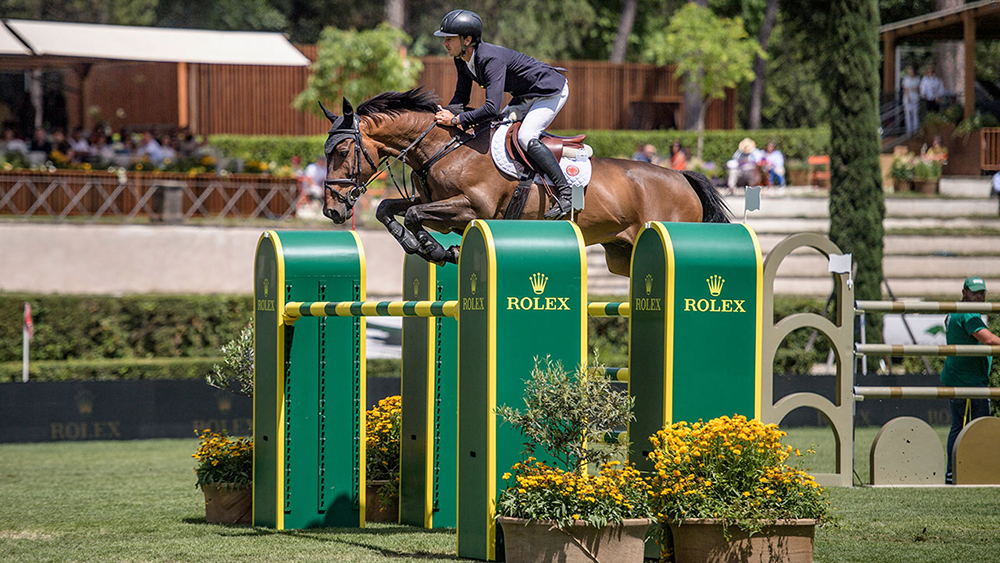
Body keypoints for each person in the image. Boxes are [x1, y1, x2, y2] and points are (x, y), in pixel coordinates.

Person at [431, 9, 572, 219]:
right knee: (496, 130)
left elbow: (491, 109)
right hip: (525, 96)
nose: (445, 44)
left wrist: (455, 120)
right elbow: (460, 99)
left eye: (449, 39)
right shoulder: (461, 59)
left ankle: (566, 193)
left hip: (550, 92)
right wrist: (438, 117)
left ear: (467, 39)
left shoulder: (489, 59)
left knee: (525, 137)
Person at [941, 276, 1000, 484]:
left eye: (982, 292)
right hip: (968, 380)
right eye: (975, 292)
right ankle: (974, 471)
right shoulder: (968, 312)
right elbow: (988, 339)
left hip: (962, 376)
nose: (980, 295)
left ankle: (953, 473)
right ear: (964, 292)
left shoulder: (961, 310)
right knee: (979, 426)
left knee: (959, 427)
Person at [901, 65, 921, 135]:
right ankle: (908, 131)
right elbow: (905, 89)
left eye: (912, 71)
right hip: (907, 99)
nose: (911, 72)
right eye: (910, 71)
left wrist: (912, 89)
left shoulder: (917, 79)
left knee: (915, 115)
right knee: (908, 116)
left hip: (915, 98)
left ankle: (915, 130)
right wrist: (908, 97)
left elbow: (918, 88)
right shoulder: (906, 79)